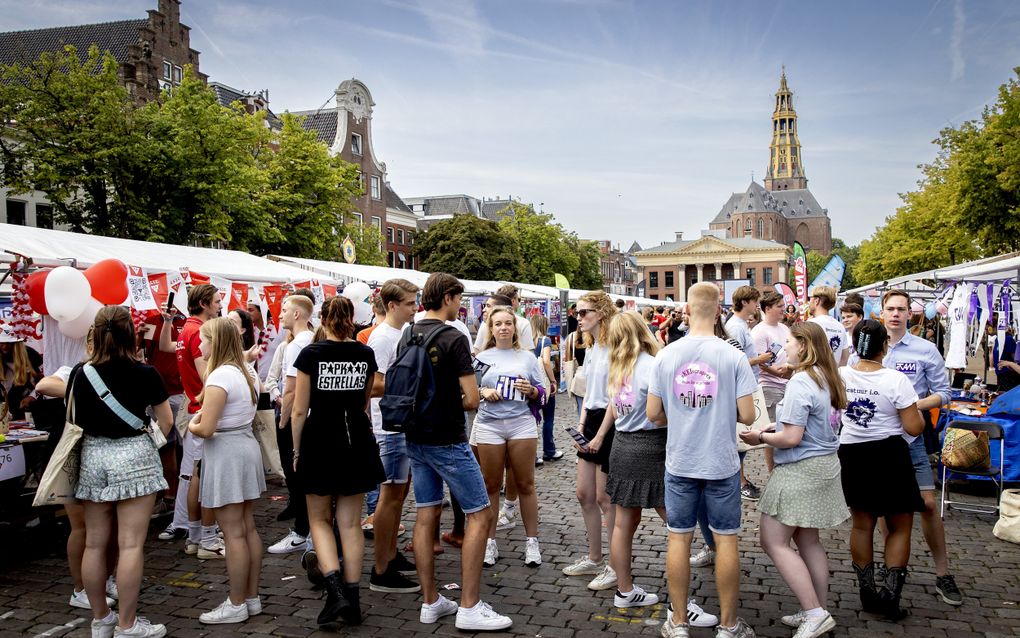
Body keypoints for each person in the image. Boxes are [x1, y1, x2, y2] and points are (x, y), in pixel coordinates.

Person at [402, 273, 512, 631]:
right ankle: (469, 605)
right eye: (458, 299)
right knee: (480, 515)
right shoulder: (453, 336)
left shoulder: (410, 332)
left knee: (425, 514)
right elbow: (472, 397)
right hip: (447, 437)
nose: (461, 306)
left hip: (415, 435)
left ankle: (430, 600)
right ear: (447, 297)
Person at [596, 311, 719, 627]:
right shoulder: (654, 366)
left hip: (622, 446)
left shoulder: (616, 368)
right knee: (678, 526)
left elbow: (614, 406)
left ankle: (624, 589)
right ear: (643, 331)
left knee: (623, 523)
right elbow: (665, 412)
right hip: (653, 448)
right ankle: (681, 605)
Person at [648, 282, 757, 638]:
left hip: (680, 460)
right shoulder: (732, 355)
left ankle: (678, 621)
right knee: (726, 540)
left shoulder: (666, 354)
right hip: (722, 462)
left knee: (678, 539)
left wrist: (680, 414)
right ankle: (728, 625)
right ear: (719, 309)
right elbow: (748, 414)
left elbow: (653, 414)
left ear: (687, 308)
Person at [739, 322, 848, 638]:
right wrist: (777, 426)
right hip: (823, 466)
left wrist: (760, 435)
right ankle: (819, 609)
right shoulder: (828, 377)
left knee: (773, 540)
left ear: (803, 345)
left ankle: (814, 612)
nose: (784, 346)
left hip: (800, 470)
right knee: (808, 541)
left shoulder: (802, 381)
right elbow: (808, 425)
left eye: (788, 341)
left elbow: (792, 437)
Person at [70, 306, 173, 638]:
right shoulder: (146, 373)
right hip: (134, 457)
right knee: (130, 545)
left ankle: (101, 620)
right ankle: (128, 624)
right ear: (131, 333)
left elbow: (73, 421)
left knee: (95, 545)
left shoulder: (79, 373)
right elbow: (167, 422)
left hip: (93, 458)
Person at [290, 296, 384, 626]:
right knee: (350, 523)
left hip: (321, 436)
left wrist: (297, 451)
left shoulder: (311, 354)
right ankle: (352, 597)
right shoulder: (364, 352)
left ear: (323, 319)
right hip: (355, 435)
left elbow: (299, 410)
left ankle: (336, 591)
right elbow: (364, 402)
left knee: (318, 520)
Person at [879, 289, 963, 606]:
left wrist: (914, 405)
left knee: (927, 504)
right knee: (888, 508)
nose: (896, 314)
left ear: (910, 314)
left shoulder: (926, 349)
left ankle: (943, 573)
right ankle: (893, 568)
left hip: (913, 439)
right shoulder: (871, 348)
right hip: (881, 440)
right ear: (882, 313)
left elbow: (944, 394)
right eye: (891, 308)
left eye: (902, 309)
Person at [839, 319, 925, 620]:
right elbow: (914, 425)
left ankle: (867, 590)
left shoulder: (840, 376)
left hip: (852, 454)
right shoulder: (896, 379)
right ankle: (890, 595)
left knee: (862, 525)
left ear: (854, 344)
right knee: (899, 526)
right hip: (890, 454)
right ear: (884, 346)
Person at [34, 329, 118, 614]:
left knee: (111, 524)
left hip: (106, 451)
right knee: (82, 526)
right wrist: (80, 388)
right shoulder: (75, 370)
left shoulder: (118, 371)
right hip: (75, 449)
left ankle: (104, 578)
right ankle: (80, 588)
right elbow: (44, 386)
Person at [189, 317, 265, 624]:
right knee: (246, 527)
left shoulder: (220, 376)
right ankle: (251, 596)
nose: (200, 345)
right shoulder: (242, 371)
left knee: (233, 532)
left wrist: (193, 423)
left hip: (228, 453)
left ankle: (236, 602)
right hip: (244, 447)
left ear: (215, 342)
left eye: (204, 340)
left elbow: (205, 428)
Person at [475, 306, 546, 568]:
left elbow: (544, 392)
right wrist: (484, 392)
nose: (504, 327)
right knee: (490, 485)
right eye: (498, 324)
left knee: (525, 483)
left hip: (521, 424)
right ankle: (490, 542)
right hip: (489, 424)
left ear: (515, 327)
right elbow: (470, 390)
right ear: (491, 329)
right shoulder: (482, 356)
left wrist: (532, 391)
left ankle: (532, 543)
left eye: (508, 323)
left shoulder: (527, 357)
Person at [367, 279, 422, 595]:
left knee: (398, 496)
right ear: (392, 306)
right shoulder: (382, 339)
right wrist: (415, 388)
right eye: (410, 303)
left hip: (402, 425)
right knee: (389, 498)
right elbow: (374, 385)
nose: (415, 308)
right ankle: (381, 568)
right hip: (389, 428)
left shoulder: (402, 333)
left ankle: (389, 553)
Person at [563, 290, 618, 591]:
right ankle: (595, 556)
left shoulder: (613, 347)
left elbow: (614, 395)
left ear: (601, 313)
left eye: (584, 312)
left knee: (604, 498)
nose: (578, 317)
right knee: (583, 493)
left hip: (609, 422)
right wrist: (582, 425)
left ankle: (614, 563)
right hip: (593, 417)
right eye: (577, 312)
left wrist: (598, 434)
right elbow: (588, 394)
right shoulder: (593, 346)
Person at [173, 284, 224, 559]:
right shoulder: (199, 332)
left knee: (196, 474)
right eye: (216, 302)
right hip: (202, 408)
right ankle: (206, 536)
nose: (219, 306)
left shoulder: (185, 330)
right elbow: (207, 378)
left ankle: (196, 535)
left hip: (195, 406)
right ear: (204, 303)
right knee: (204, 476)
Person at [268, 295, 316, 556]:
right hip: (308, 416)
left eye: (285, 310)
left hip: (297, 417)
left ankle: (301, 531)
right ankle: (306, 529)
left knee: (295, 474)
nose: (280, 314)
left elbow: (290, 390)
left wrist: (283, 422)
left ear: (297, 314)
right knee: (302, 476)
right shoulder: (311, 339)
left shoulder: (296, 345)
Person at [725, 286, 771, 502]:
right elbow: (735, 362)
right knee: (741, 437)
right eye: (754, 301)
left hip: (747, 385)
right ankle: (738, 481)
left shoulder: (741, 325)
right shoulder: (735, 327)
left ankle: (739, 480)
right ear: (745, 302)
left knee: (743, 438)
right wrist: (759, 360)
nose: (757, 305)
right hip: (741, 388)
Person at [752, 291, 792, 472]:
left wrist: (790, 368)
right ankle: (772, 471)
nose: (784, 309)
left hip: (787, 384)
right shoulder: (759, 332)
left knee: (786, 427)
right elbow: (760, 361)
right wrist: (777, 371)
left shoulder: (784, 328)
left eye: (783, 306)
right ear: (767, 308)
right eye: (780, 306)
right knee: (772, 431)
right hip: (769, 386)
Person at [530, 313, 563, 462]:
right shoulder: (545, 341)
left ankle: (533, 455)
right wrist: (553, 381)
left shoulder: (526, 342)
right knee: (548, 418)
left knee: (531, 420)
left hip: (531, 385)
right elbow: (546, 362)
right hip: (544, 385)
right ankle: (549, 450)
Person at [472, 284, 534, 353]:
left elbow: (477, 349)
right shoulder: (523, 323)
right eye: (518, 299)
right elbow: (529, 350)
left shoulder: (487, 322)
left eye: (508, 323)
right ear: (513, 301)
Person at [0, 327, 42, 420]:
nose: (5, 347)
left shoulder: (30, 354)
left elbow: (45, 380)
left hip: (27, 408)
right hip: (4, 409)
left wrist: (33, 396)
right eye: (2, 343)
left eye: (9, 343)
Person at [807, 286, 849, 366]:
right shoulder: (840, 326)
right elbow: (845, 358)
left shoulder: (810, 324)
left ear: (817, 301)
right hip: (833, 375)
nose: (809, 302)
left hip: (813, 376)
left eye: (810, 298)